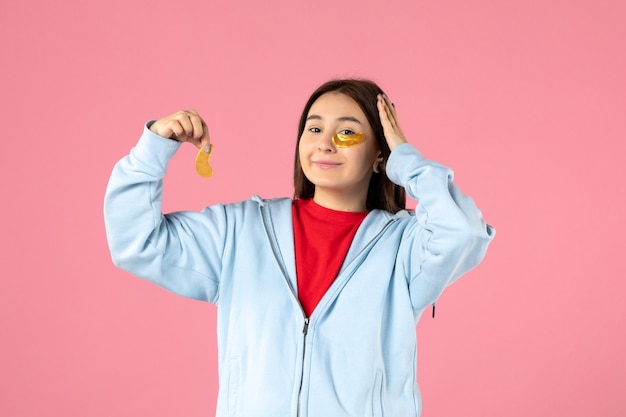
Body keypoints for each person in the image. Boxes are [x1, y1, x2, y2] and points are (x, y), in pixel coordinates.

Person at [104, 79, 495, 417]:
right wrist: (153, 149)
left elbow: (463, 232)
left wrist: (406, 159)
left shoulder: (404, 248)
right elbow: (137, 242)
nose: (325, 144)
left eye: (346, 132)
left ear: (380, 155)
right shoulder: (240, 232)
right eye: (313, 129)